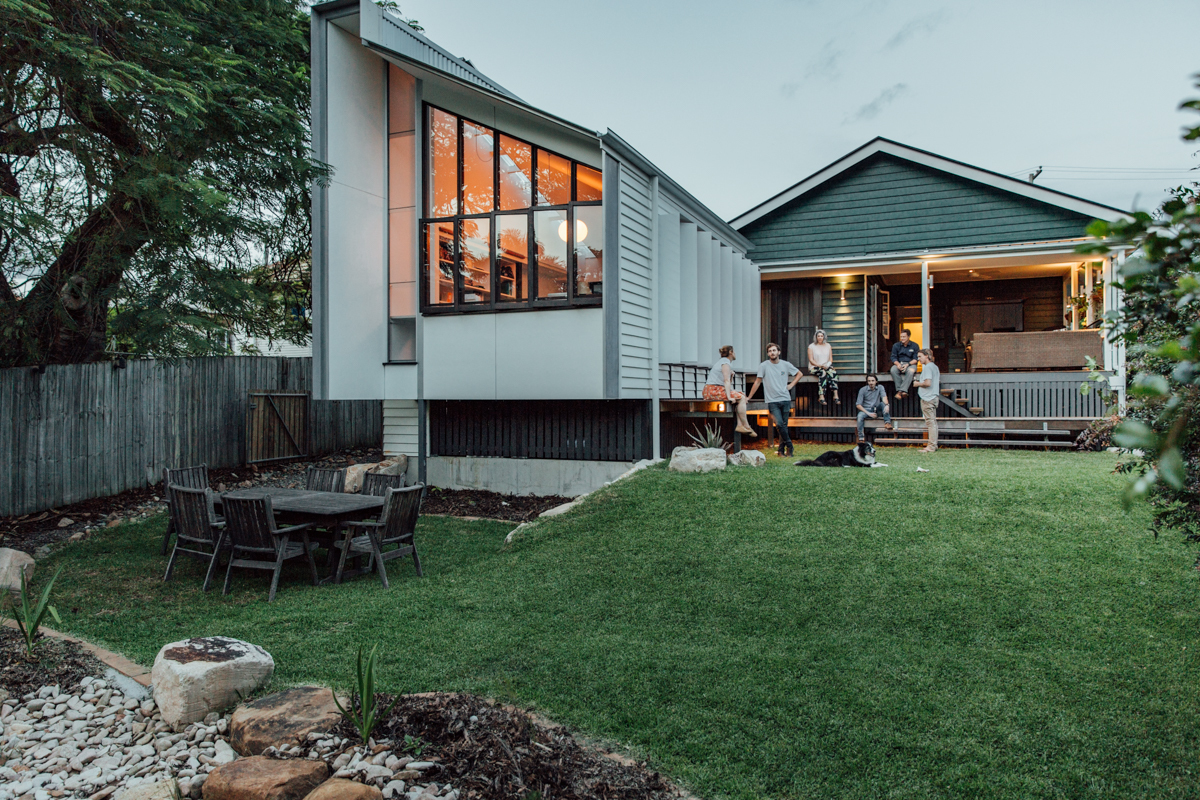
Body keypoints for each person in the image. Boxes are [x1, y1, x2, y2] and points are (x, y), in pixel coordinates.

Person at [747, 343, 802, 457]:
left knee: (784, 426)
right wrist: (749, 397)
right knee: (780, 425)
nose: (772, 353)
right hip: (772, 401)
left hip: (785, 399)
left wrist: (791, 385)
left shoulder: (785, 365)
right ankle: (790, 445)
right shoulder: (764, 366)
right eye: (770, 351)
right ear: (768, 354)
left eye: (774, 350)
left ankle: (781, 451)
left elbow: (799, 374)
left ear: (779, 352)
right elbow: (757, 382)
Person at [703, 345, 756, 437]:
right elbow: (726, 381)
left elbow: (727, 381)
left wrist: (731, 376)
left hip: (716, 389)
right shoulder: (725, 363)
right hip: (712, 390)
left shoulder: (724, 363)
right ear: (731, 352)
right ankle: (746, 426)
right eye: (734, 352)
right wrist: (729, 397)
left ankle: (740, 425)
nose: (735, 354)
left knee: (741, 395)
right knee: (741, 398)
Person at [913, 348, 941, 452]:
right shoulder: (935, 367)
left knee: (930, 423)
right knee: (933, 422)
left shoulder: (928, 368)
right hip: (933, 397)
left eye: (920, 356)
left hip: (927, 398)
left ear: (927, 356)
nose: (918, 359)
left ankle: (931, 446)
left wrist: (917, 384)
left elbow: (928, 383)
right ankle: (934, 444)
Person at [855, 374, 893, 441]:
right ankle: (861, 437)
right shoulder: (863, 390)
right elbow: (858, 405)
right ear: (867, 382)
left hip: (876, 409)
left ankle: (887, 422)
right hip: (866, 410)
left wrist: (887, 405)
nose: (871, 383)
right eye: (869, 381)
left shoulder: (880, 387)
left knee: (883, 404)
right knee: (859, 417)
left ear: (876, 381)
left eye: (872, 381)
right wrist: (869, 413)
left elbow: (884, 398)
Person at [807, 330, 839, 405]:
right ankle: (821, 395)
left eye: (821, 336)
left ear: (824, 337)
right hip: (814, 367)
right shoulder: (811, 346)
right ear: (816, 337)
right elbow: (811, 360)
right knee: (823, 373)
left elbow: (831, 358)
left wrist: (828, 364)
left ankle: (835, 394)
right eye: (818, 336)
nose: (820, 338)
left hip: (826, 366)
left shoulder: (828, 346)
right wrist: (819, 365)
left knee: (833, 372)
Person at [889, 329, 920, 398]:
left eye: (904, 337)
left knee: (910, 371)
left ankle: (900, 391)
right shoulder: (896, 345)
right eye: (901, 336)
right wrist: (898, 364)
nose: (902, 338)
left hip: (911, 364)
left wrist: (908, 364)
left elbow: (916, 359)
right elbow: (893, 357)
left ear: (908, 336)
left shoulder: (914, 346)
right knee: (893, 370)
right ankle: (902, 390)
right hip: (899, 363)